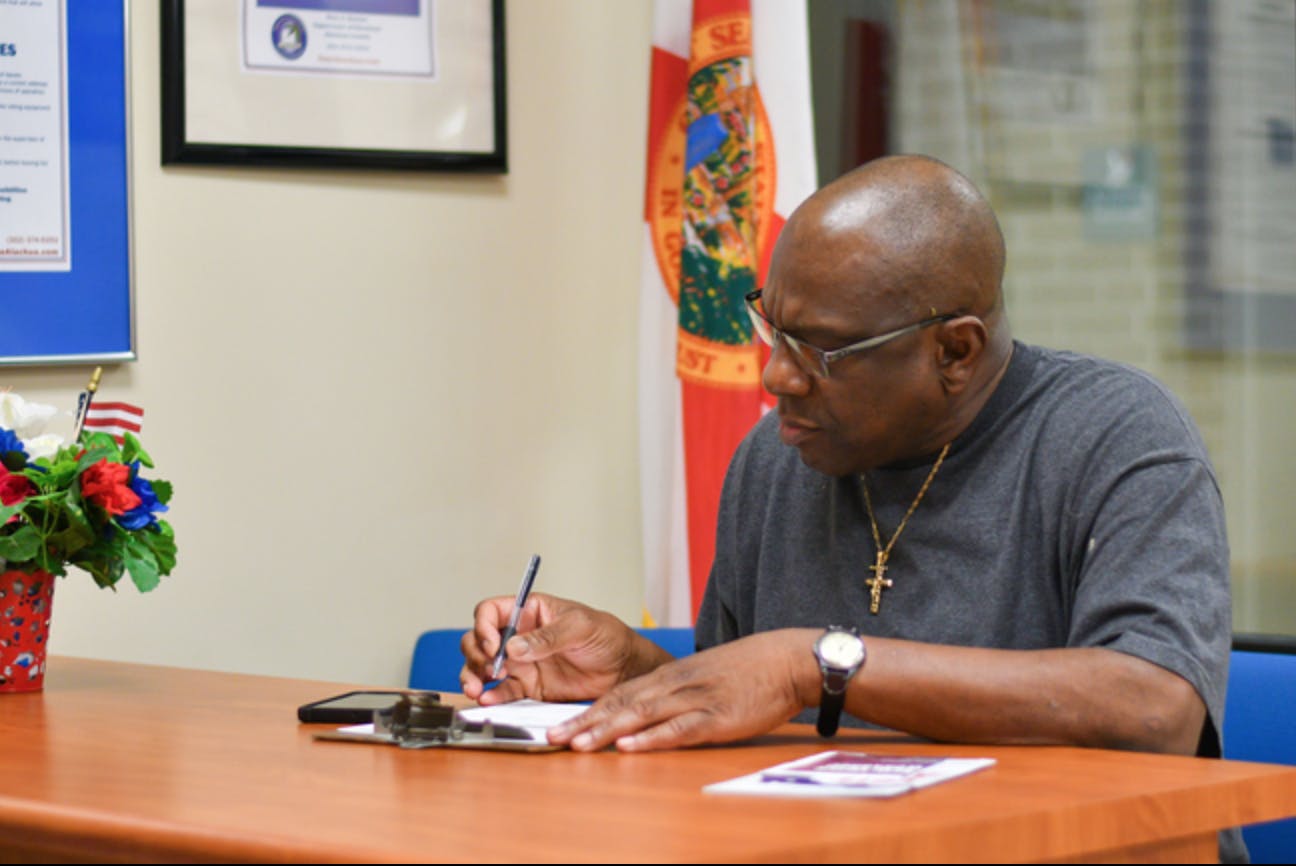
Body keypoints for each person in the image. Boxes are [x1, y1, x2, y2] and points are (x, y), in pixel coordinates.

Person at [462, 154, 1238, 855]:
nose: (776, 378)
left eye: (821, 351)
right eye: (774, 327)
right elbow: (761, 713)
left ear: (955, 352)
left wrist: (815, 663)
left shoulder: (1114, 435)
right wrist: (635, 673)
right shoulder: (777, 457)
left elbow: (1155, 707)